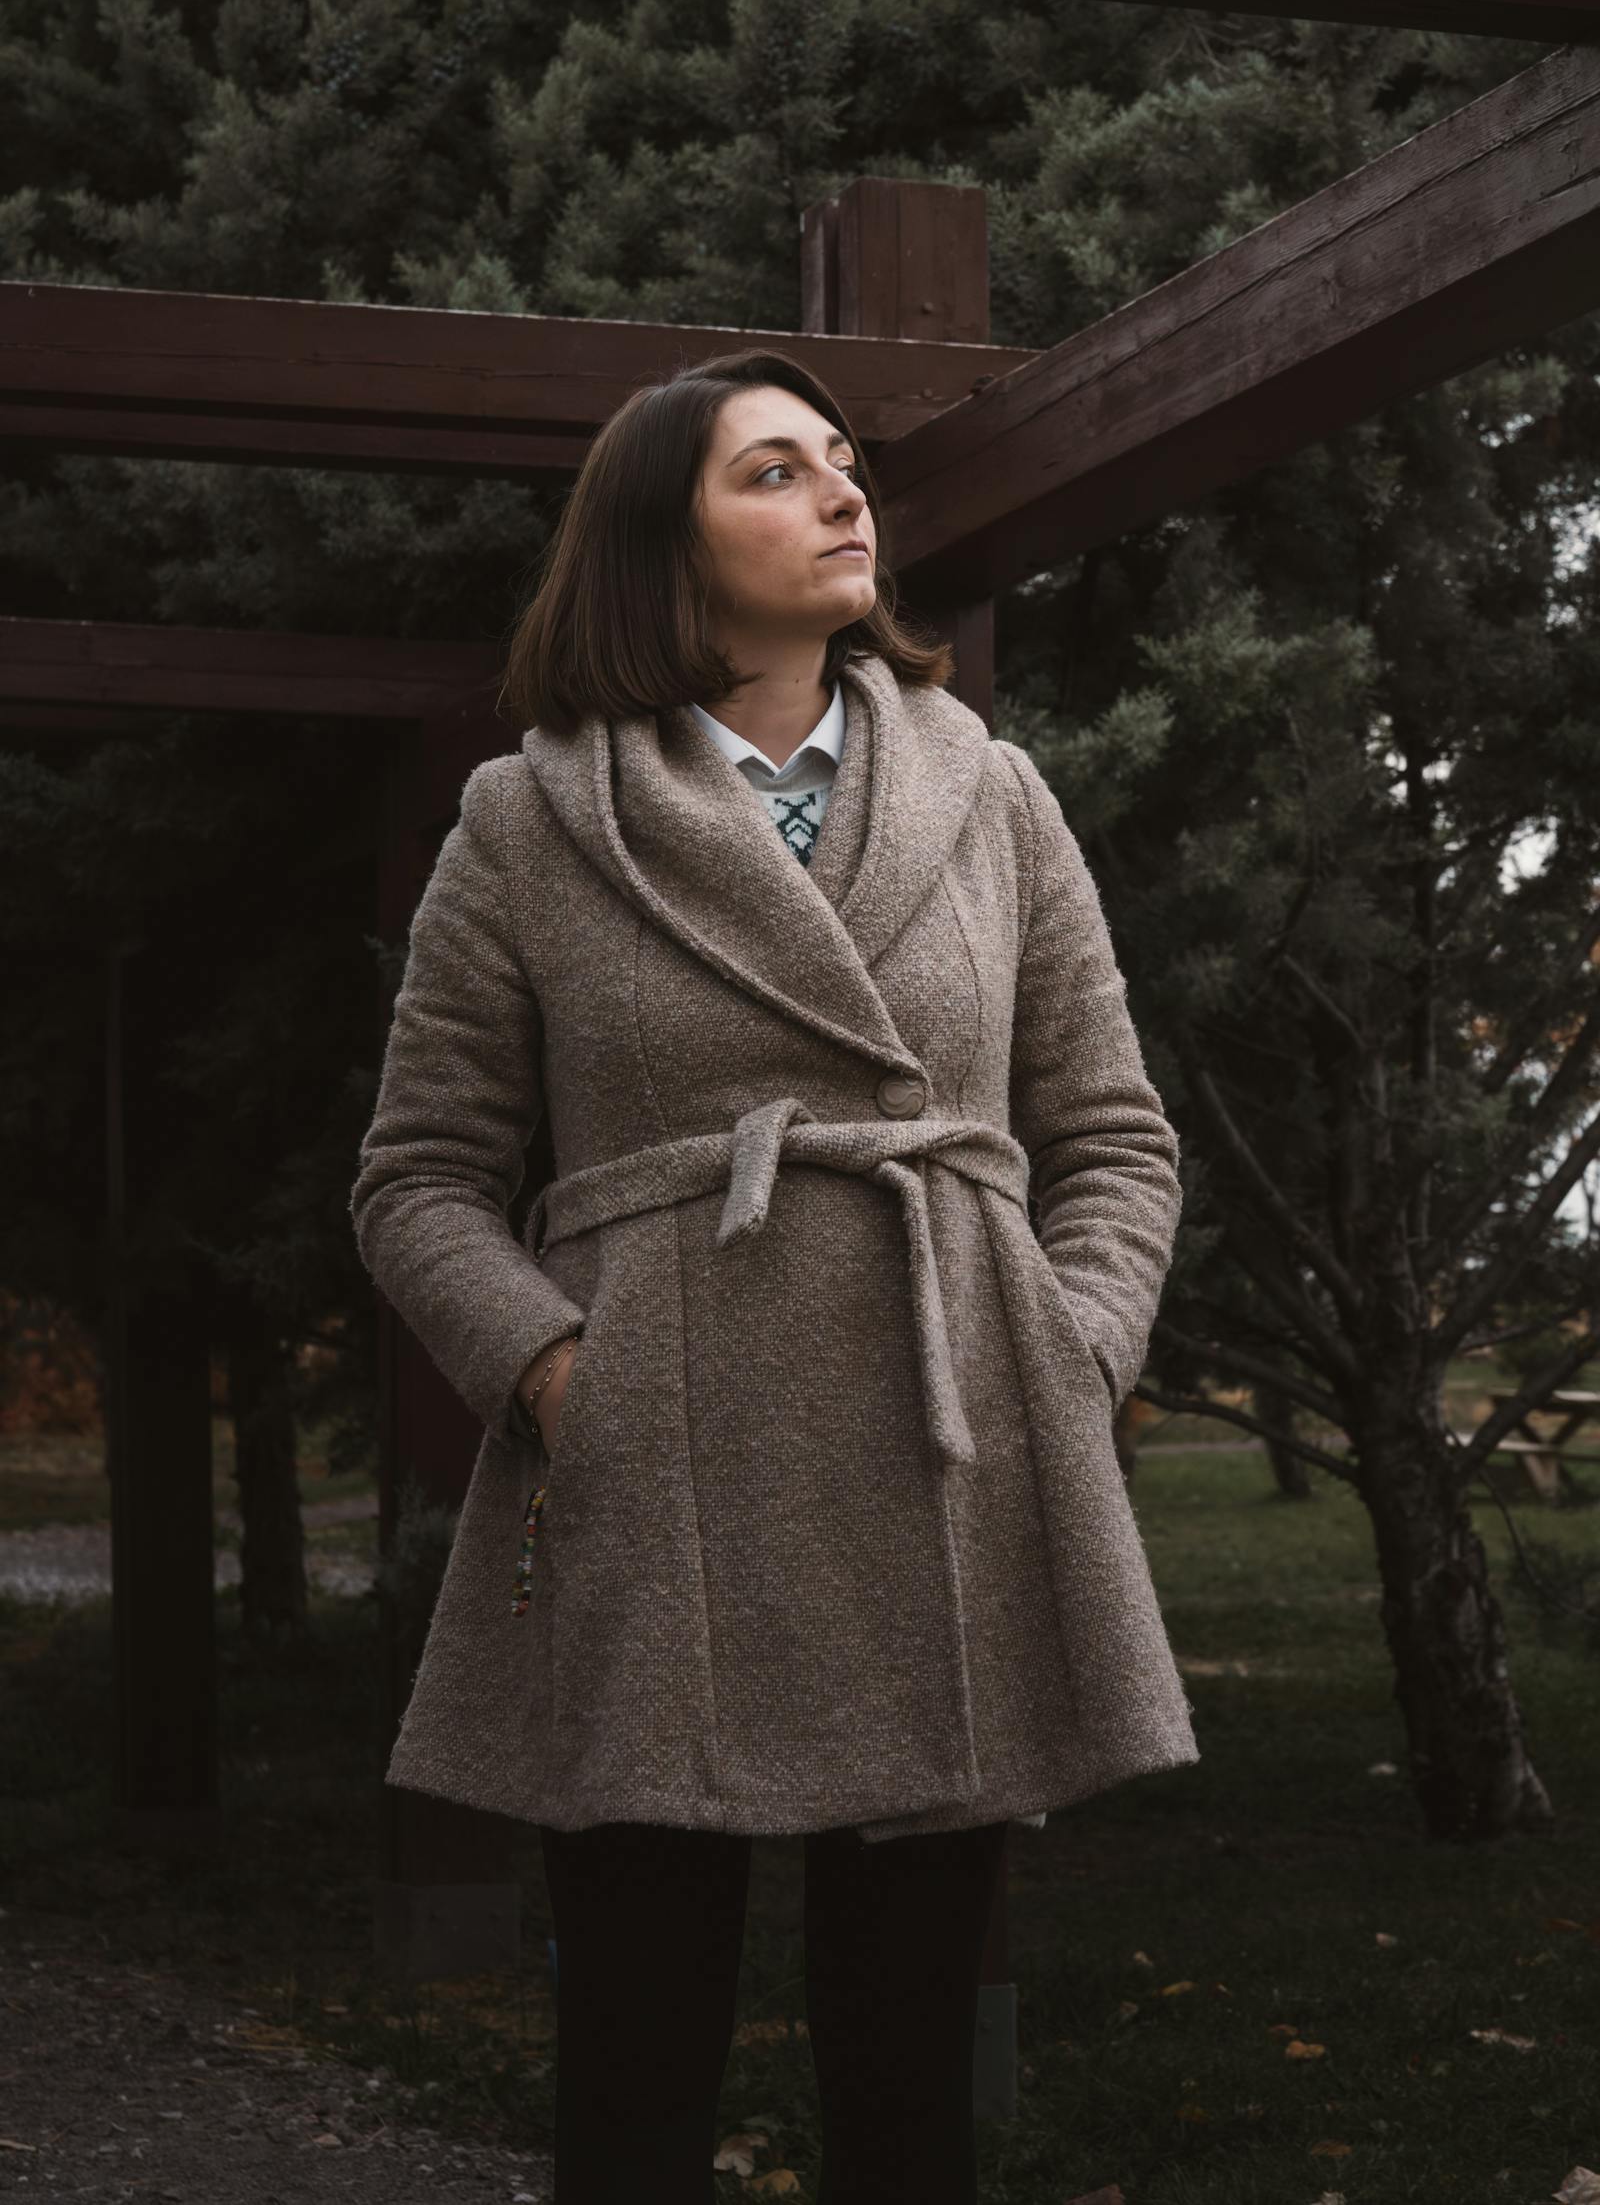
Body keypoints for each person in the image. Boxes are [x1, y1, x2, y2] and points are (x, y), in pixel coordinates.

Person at [349, 346, 1198, 2200]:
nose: (840, 494)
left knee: (911, 2092)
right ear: (662, 545)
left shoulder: (995, 796)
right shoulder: (533, 816)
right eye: (772, 471)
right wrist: (569, 1374)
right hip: (662, 1482)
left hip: (942, 1440)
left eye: (844, 463)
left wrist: (1069, 1348)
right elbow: (419, 1180)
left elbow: (1114, 1135)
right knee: (634, 2076)